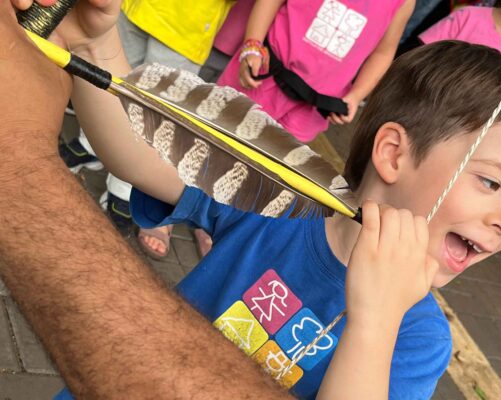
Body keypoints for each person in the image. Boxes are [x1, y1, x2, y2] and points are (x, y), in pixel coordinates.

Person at [53, 0, 501, 394]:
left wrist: (377, 320)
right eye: (492, 183)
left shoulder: (416, 336)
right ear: (392, 154)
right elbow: (139, 157)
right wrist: (94, 46)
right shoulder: (278, 204)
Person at [0, 0, 297, 399]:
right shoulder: (286, 207)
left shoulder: (404, 341)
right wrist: (93, 44)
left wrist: (16, 158)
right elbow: (150, 156)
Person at [58, 0, 236, 259]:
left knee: (154, 114)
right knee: (105, 77)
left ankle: (124, 189)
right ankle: (90, 144)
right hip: (134, 7)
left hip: (185, 26)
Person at [217, 0, 416, 143]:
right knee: (215, 135)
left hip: (311, 109)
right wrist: (253, 44)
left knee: (262, 169)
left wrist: (356, 95)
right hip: (262, 75)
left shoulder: (403, 3)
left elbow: (383, 52)